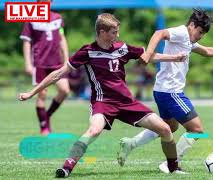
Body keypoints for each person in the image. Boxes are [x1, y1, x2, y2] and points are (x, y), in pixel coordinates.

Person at [19, 13, 187, 178]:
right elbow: (58, 74)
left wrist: (173, 57)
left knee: (165, 129)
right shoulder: (87, 52)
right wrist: (32, 92)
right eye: (114, 32)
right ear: (102, 32)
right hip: (102, 102)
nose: (117, 35)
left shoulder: (122, 48)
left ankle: (173, 169)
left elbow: (149, 56)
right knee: (93, 130)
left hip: (126, 102)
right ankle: (66, 168)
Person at [117, 8, 213, 173]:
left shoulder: (188, 39)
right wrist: (149, 53)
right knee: (197, 130)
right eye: (200, 32)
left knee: (169, 127)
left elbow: (207, 51)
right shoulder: (181, 32)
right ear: (192, 25)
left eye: (203, 34)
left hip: (162, 90)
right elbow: (159, 33)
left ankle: (131, 144)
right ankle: (171, 164)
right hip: (171, 92)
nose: (200, 36)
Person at [20, 0, 70, 135]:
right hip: (40, 63)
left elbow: (62, 38)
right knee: (42, 94)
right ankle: (44, 127)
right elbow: (26, 41)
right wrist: (28, 64)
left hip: (57, 63)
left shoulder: (57, 18)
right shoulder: (31, 19)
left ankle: (47, 115)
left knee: (64, 90)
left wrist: (66, 59)